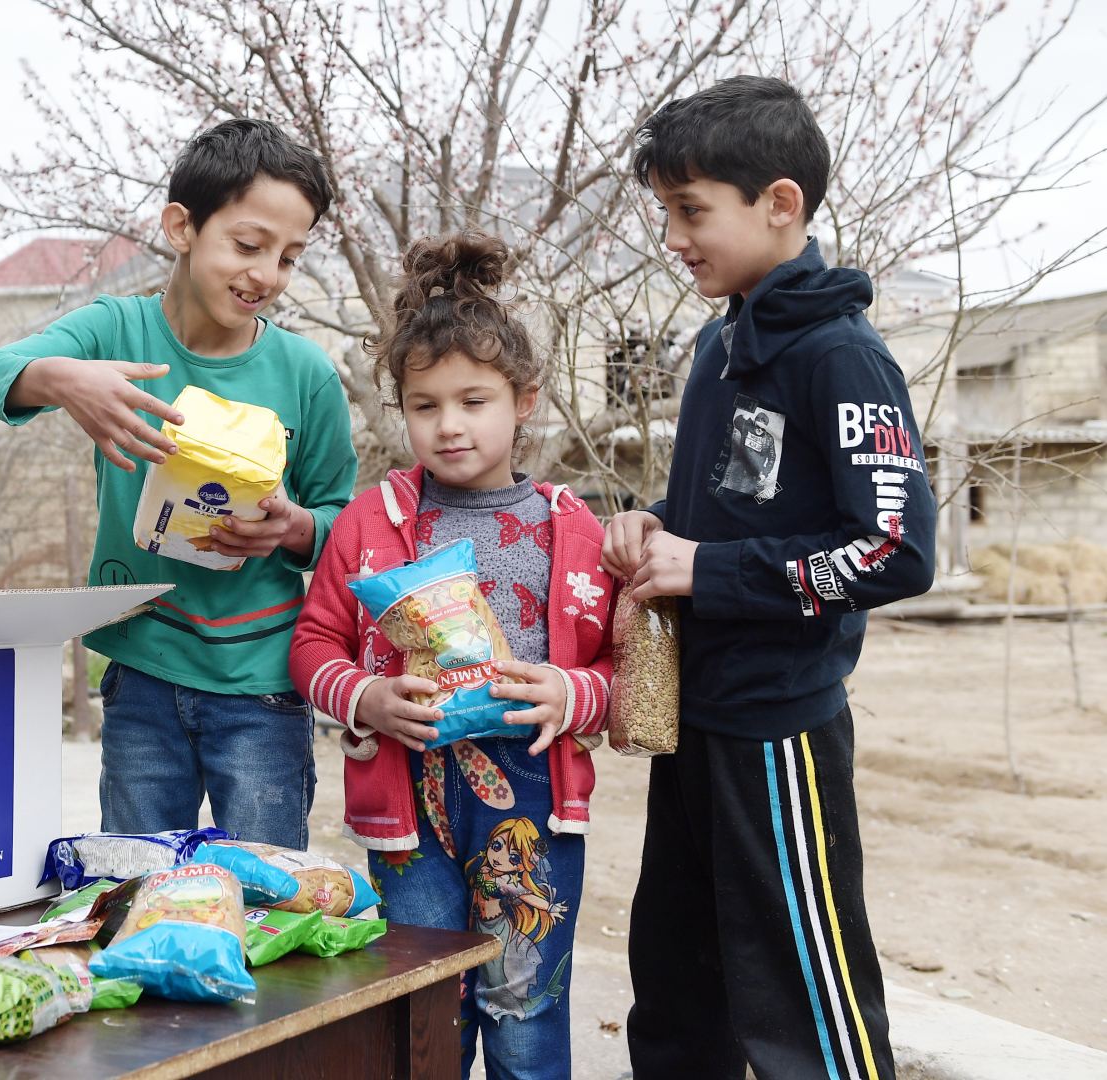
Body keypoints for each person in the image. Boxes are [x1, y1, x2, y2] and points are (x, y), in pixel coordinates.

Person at [603, 75, 936, 1080]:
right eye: (666, 212)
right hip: (693, 722)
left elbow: (895, 548)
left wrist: (709, 570)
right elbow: (730, 513)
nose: (673, 237)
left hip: (778, 730)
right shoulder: (718, 343)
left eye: (690, 211)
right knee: (674, 986)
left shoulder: (842, 357)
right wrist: (657, 535)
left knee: (804, 1004)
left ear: (780, 204)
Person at [0, 118, 357, 851]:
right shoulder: (115, 335)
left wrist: (293, 527)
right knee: (136, 891)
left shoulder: (306, 375)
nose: (268, 274)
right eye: (249, 245)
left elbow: (345, 525)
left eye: (290, 258)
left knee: (263, 901)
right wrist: (61, 379)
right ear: (181, 227)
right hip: (141, 676)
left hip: (263, 687)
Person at [291, 230, 615, 1079]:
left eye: (474, 401)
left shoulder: (570, 529)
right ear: (400, 407)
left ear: (525, 399)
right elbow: (314, 641)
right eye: (425, 404)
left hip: (535, 809)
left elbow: (619, 671)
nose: (450, 425)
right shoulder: (371, 523)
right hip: (409, 807)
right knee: (423, 1003)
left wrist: (569, 695)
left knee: (524, 1003)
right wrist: (366, 699)